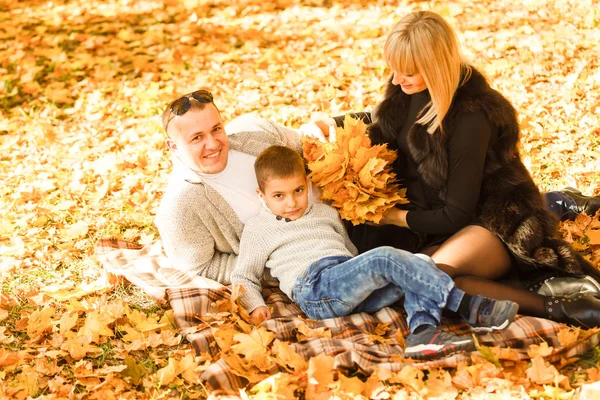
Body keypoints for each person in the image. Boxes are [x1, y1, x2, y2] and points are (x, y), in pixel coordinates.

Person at [307, 11, 600, 328]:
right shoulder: (406, 91)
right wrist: (332, 124)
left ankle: (570, 308)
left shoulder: (472, 117)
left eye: (407, 72)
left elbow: (457, 213)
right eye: (392, 69)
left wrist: (393, 217)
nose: (395, 79)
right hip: (437, 228)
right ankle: (539, 283)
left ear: (435, 67)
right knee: (429, 286)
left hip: (495, 222)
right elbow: (384, 122)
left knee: (427, 279)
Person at [231, 145, 519, 360]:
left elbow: (349, 252)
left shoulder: (325, 213)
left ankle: (423, 334)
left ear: (307, 184)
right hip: (314, 289)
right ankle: (468, 306)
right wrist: (255, 305)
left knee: (418, 264)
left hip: (346, 281)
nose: (291, 202)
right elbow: (244, 274)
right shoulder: (259, 228)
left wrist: (369, 270)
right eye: (278, 196)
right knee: (384, 258)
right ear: (261, 195)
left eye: (297, 190)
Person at [155, 89, 311, 284]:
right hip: (314, 254)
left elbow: (308, 145)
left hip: (346, 202)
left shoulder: (253, 133)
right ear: (174, 147)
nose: (213, 144)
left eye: (216, 129)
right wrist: (273, 267)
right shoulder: (179, 206)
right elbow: (201, 267)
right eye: (197, 138)